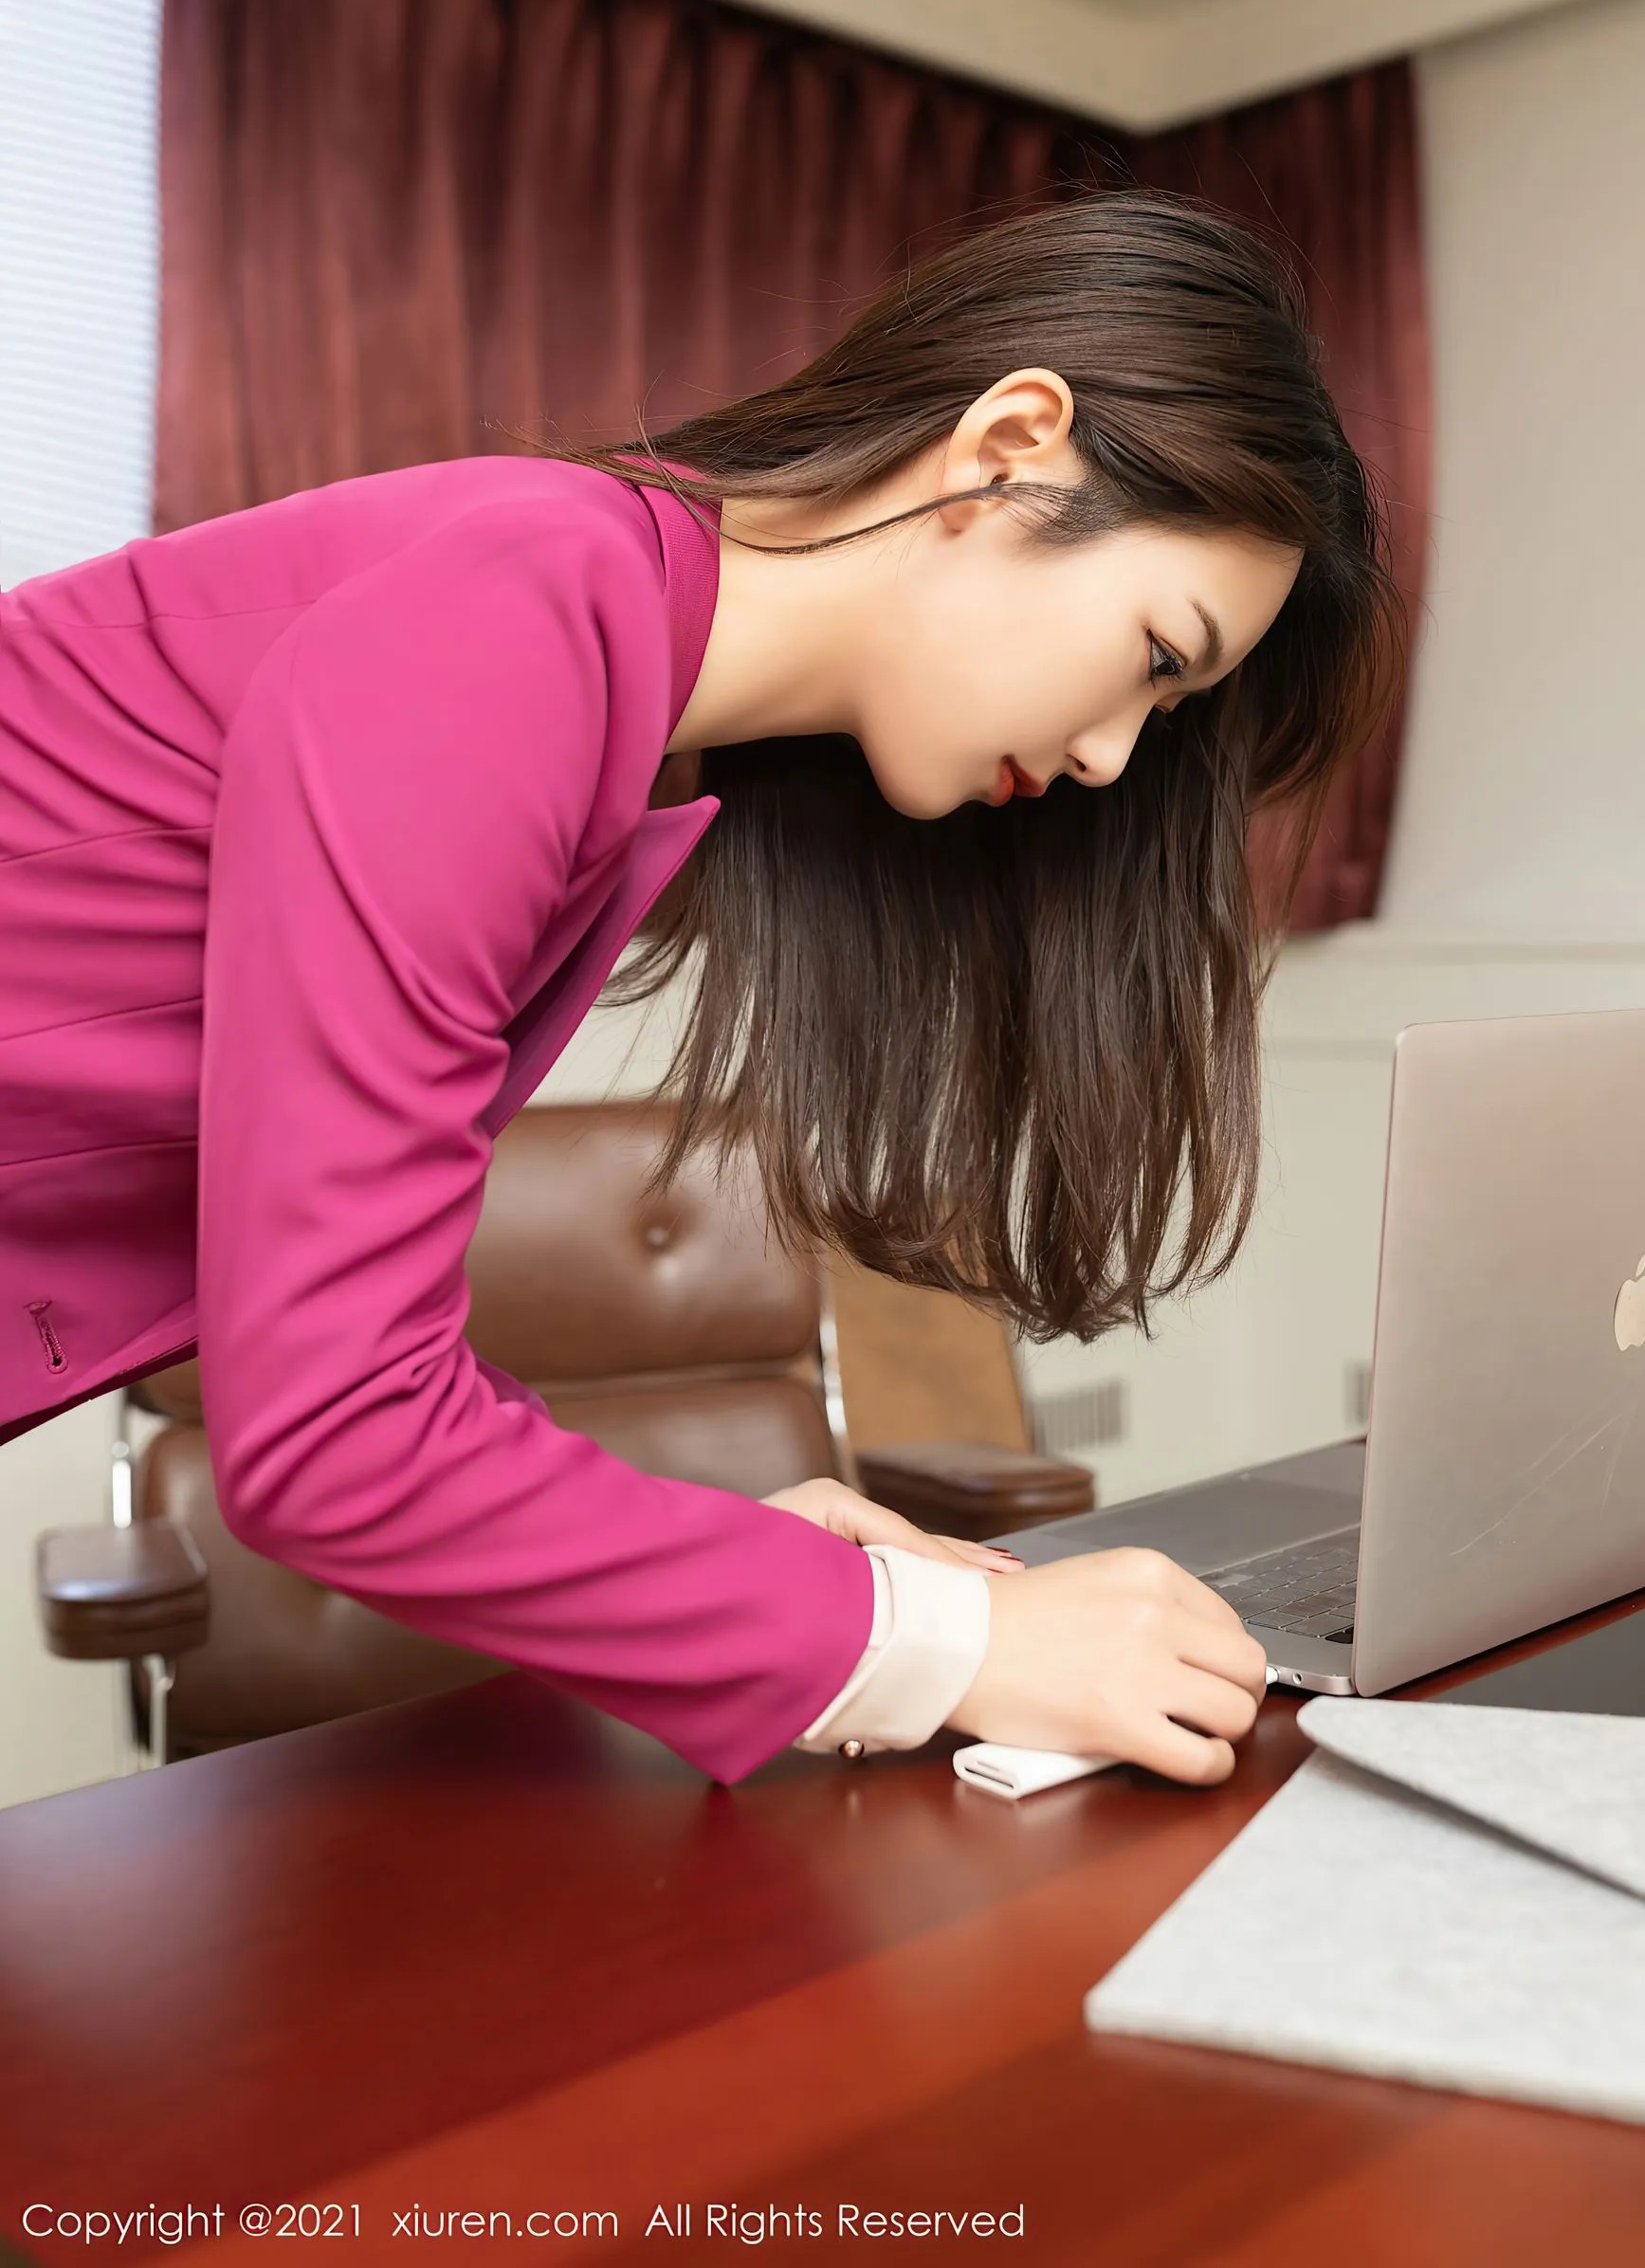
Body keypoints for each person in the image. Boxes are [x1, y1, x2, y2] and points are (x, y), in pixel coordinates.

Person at [0, 190, 1401, 1788]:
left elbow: (349, 1358)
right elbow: (334, 1435)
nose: (1108, 758)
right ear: (1012, 445)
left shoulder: (598, 671)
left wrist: (767, 1575)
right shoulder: (517, 617)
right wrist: (941, 1640)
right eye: (1158, 656)